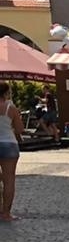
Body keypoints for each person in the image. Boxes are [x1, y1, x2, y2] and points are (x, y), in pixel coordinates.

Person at [0, 84, 21, 221]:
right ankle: (6, 214)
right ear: (6, 93)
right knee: (9, 180)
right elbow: (20, 129)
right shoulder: (10, 108)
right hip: (9, 144)